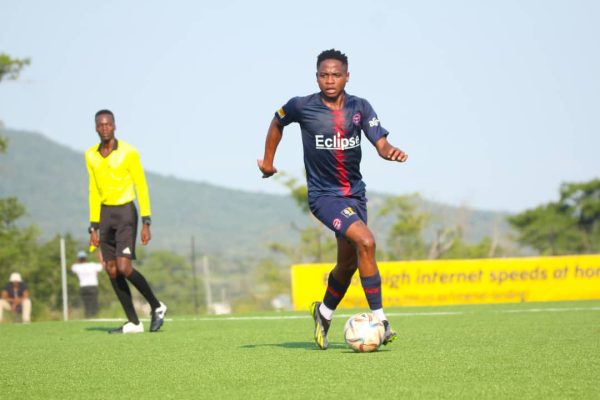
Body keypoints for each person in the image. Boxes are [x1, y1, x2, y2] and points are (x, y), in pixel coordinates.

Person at [258, 49, 408, 350]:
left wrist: (389, 151)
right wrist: (269, 161)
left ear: (346, 77)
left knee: (348, 264)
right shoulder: (301, 106)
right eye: (324, 75)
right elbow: (277, 122)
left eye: (336, 75)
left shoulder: (360, 107)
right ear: (316, 77)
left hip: (355, 194)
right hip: (324, 196)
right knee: (366, 241)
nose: (330, 80)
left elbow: (380, 143)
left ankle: (323, 313)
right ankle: (381, 320)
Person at [86, 109, 167, 334]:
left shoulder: (129, 152)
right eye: (100, 125)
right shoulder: (90, 155)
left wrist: (146, 221)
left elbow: (141, 185)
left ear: (114, 126)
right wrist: (93, 226)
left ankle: (157, 306)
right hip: (104, 215)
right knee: (111, 270)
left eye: (108, 124)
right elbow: (93, 190)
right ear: (96, 128)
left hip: (125, 213)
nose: (104, 128)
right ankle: (133, 322)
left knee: (124, 267)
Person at [71, 250, 103, 318]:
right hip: (93, 286)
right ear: (86, 258)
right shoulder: (92, 265)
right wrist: (100, 258)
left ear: (79, 259)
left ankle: (88, 316)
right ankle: (94, 316)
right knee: (94, 302)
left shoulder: (76, 267)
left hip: (83, 287)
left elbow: (73, 268)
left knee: (86, 303)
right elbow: (102, 266)